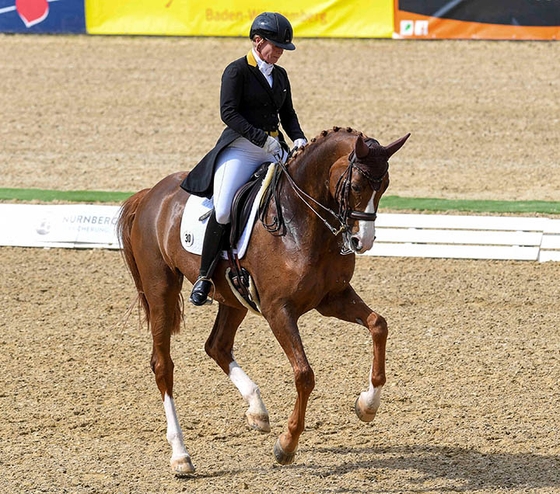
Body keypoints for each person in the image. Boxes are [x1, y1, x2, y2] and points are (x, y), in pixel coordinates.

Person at [181, 12, 307, 306]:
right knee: (224, 209)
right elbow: (229, 113)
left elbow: (287, 114)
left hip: (274, 147)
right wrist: (262, 138)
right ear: (257, 40)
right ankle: (204, 276)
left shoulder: (281, 75)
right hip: (241, 148)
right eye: (274, 47)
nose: (278, 53)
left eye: (282, 49)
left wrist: (298, 137)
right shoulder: (237, 71)